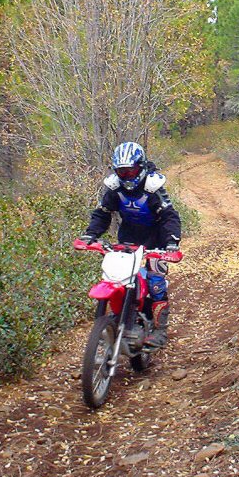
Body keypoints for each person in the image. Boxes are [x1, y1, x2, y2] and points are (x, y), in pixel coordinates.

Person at [79, 141, 182, 351]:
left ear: (141, 167)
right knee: (117, 277)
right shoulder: (114, 189)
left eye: (130, 171)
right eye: (121, 172)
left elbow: (169, 216)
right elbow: (103, 213)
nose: (126, 176)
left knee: (155, 282)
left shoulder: (152, 187)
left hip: (157, 241)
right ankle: (118, 318)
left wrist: (171, 242)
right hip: (128, 239)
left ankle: (160, 330)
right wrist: (91, 234)